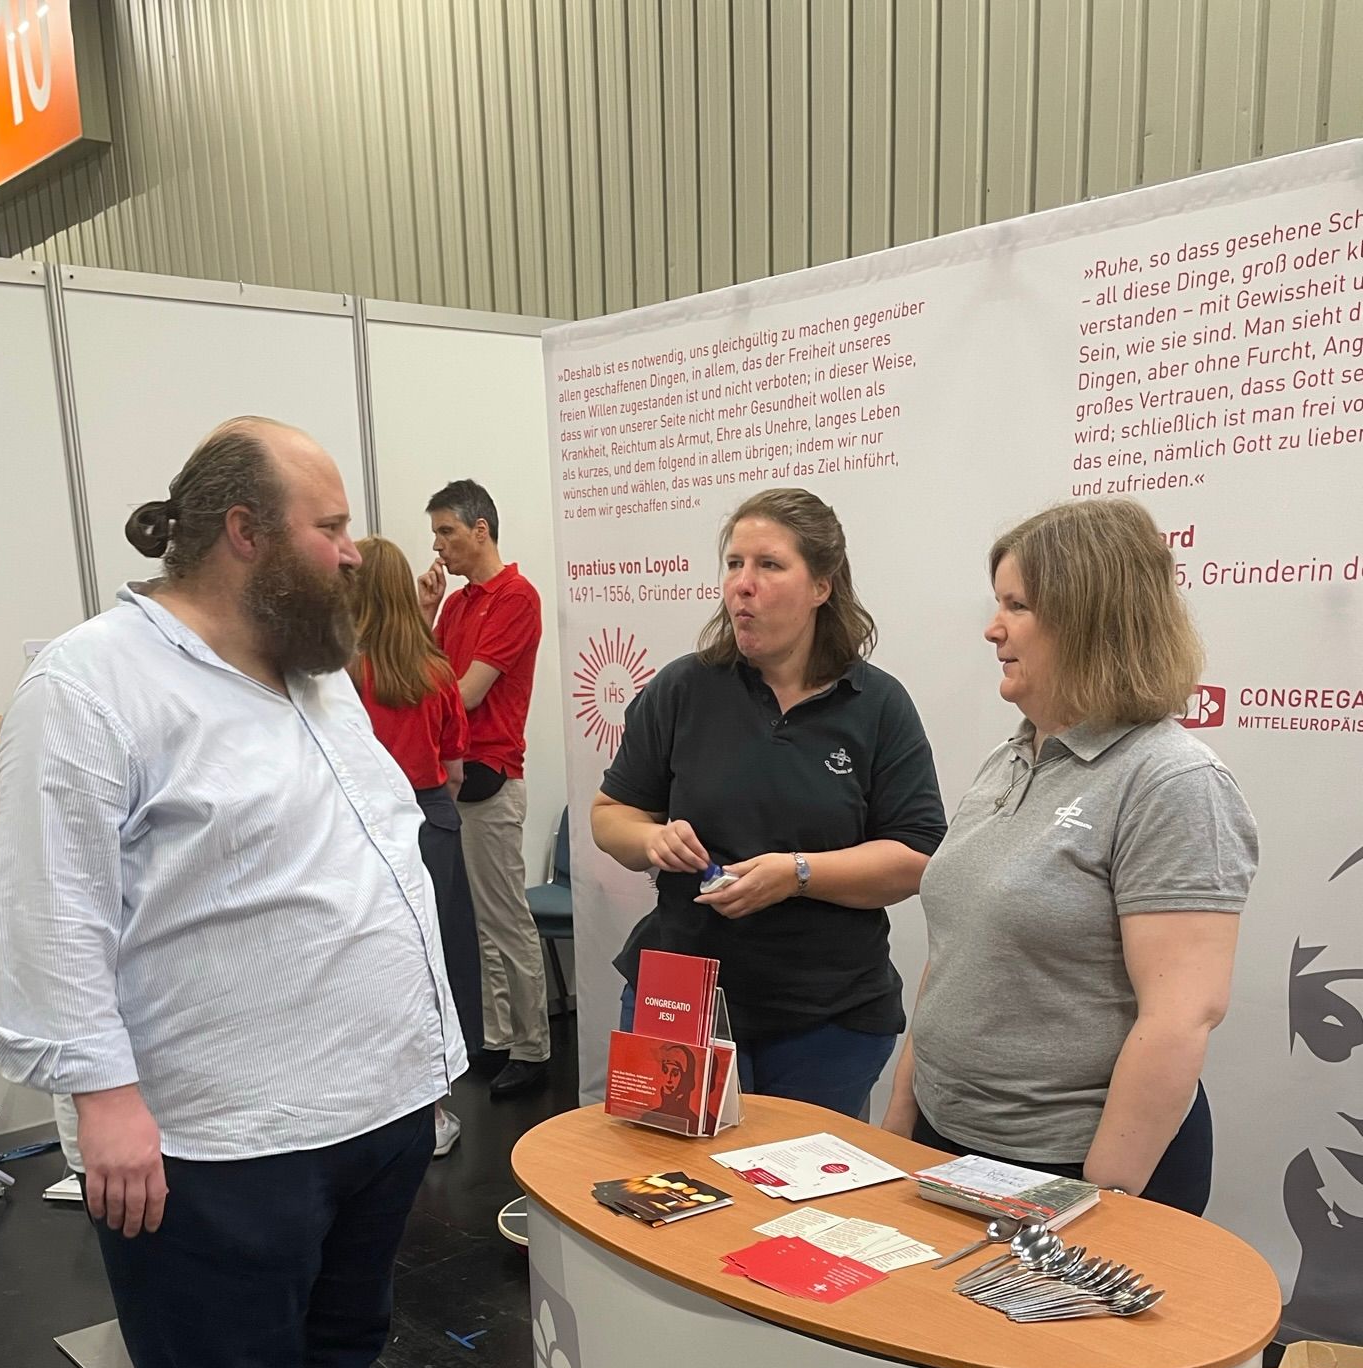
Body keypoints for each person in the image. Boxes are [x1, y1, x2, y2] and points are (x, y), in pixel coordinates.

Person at [0, 416, 473, 1368]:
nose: (356, 547)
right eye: (329, 524)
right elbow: (48, 908)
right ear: (243, 533)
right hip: (219, 1137)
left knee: (335, 1364)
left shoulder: (308, 677)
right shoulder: (93, 684)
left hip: (364, 1111)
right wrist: (104, 1099)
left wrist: (424, 1073)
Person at [882, 497, 1259, 1215]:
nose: (992, 629)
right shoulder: (1012, 756)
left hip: (1070, 1172)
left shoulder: (1172, 782)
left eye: (1016, 606)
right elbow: (957, 953)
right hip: (948, 1141)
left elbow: (1181, 1015)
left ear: (1087, 620)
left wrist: (1100, 1197)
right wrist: (903, 1122)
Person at [591, 488, 946, 1119]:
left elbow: (916, 857)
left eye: (769, 565)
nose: (742, 586)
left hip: (826, 1015)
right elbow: (610, 815)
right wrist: (651, 841)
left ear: (822, 587)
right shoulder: (684, 688)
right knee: (671, 1191)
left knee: (799, 1202)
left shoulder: (878, 706)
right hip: (683, 997)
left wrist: (797, 874)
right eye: (733, 564)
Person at [350, 533, 481, 1158]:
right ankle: (431, 1112)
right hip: (431, 820)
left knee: (369, 967)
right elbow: (454, 771)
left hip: (361, 825)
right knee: (433, 963)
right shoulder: (435, 672)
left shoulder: (337, 675)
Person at [418, 480, 550, 1100]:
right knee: (479, 924)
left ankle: (532, 1047)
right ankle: (500, 1040)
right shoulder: (458, 604)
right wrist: (422, 615)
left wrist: (431, 701)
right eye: (435, 534)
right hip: (459, 776)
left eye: (447, 531)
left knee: (505, 920)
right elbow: (426, 674)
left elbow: (464, 692)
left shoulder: (516, 597)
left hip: (491, 773)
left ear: (480, 529)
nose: (439, 546)